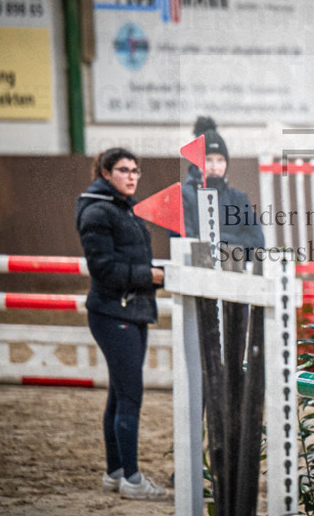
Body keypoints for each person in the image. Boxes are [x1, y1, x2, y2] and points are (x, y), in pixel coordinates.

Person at [76, 147, 170, 501]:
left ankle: (115, 473)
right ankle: (132, 478)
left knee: (118, 396)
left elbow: (127, 259)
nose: (131, 176)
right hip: (115, 312)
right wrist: (152, 276)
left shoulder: (122, 208)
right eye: (123, 170)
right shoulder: (99, 212)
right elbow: (104, 270)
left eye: (135, 170)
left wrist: (152, 272)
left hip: (129, 309)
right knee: (130, 397)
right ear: (105, 173)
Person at [176, 117, 265, 259]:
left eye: (220, 160)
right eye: (208, 160)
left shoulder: (239, 199)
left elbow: (257, 243)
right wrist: (235, 241)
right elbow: (187, 242)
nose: (214, 167)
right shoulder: (183, 196)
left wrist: (213, 238)